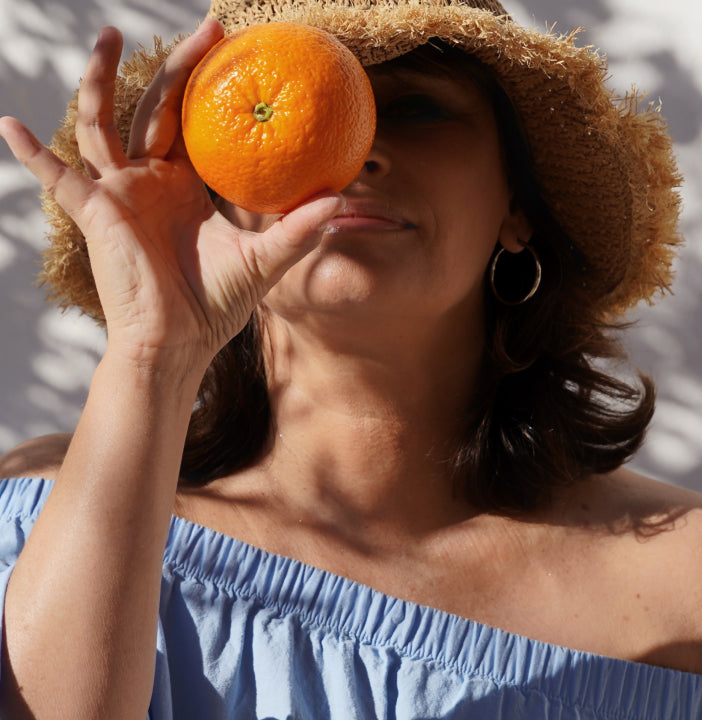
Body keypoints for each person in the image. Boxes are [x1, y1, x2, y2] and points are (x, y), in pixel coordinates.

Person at [0, 0, 700, 717]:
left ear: (519, 205)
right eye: (305, 103)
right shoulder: (42, 519)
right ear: (217, 192)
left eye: (419, 106)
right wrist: (153, 356)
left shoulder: (686, 583)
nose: (354, 152)